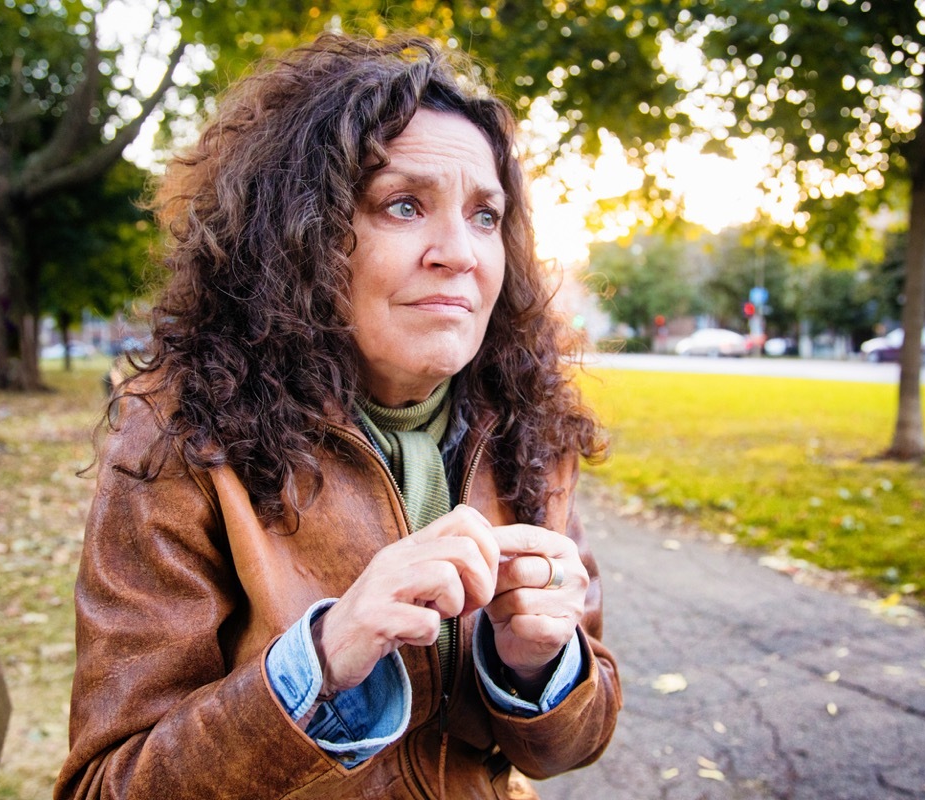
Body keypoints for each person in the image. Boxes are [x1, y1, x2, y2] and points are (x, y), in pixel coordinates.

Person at [55, 32, 621, 800]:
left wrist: (539, 665)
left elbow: (574, 744)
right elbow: (108, 788)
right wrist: (321, 660)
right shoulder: (181, 433)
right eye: (404, 205)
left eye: (486, 215)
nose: (459, 252)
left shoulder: (527, 423)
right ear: (300, 238)